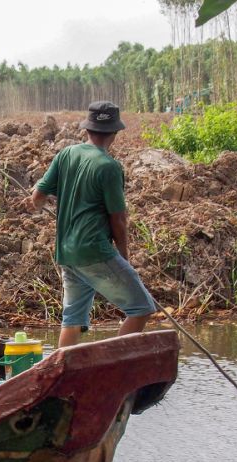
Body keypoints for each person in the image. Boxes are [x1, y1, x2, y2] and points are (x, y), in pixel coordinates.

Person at [29, 100, 155, 348]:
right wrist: (123, 257)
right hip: (94, 251)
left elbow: (36, 198)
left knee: (72, 318)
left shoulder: (66, 154)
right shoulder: (109, 167)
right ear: (115, 133)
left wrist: (39, 201)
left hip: (66, 252)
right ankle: (116, 367)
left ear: (87, 129)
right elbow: (118, 219)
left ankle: (66, 375)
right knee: (142, 308)